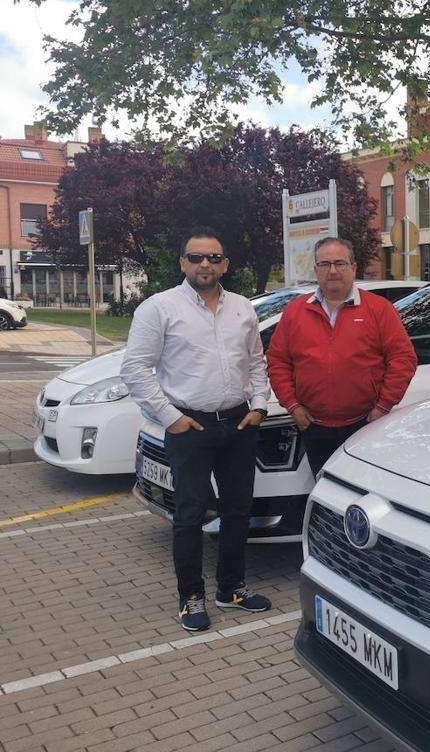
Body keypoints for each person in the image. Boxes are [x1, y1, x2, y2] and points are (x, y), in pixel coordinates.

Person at [122, 228, 272, 632]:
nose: (205, 264)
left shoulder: (242, 307)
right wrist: (171, 417)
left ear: (225, 264)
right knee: (189, 515)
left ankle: (231, 589)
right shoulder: (159, 308)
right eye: (196, 257)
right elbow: (135, 370)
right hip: (189, 426)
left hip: (239, 423)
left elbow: (256, 363)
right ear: (182, 263)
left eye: (214, 257)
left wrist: (259, 406)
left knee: (238, 511)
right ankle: (190, 598)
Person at [266, 236, 417, 477]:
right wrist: (292, 405)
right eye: (324, 264)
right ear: (316, 270)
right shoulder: (296, 311)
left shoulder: (378, 309)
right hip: (314, 427)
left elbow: (403, 359)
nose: (332, 271)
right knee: (325, 487)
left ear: (353, 267)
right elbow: (278, 361)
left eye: (340, 263)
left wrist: (383, 406)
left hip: (365, 423)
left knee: (363, 487)